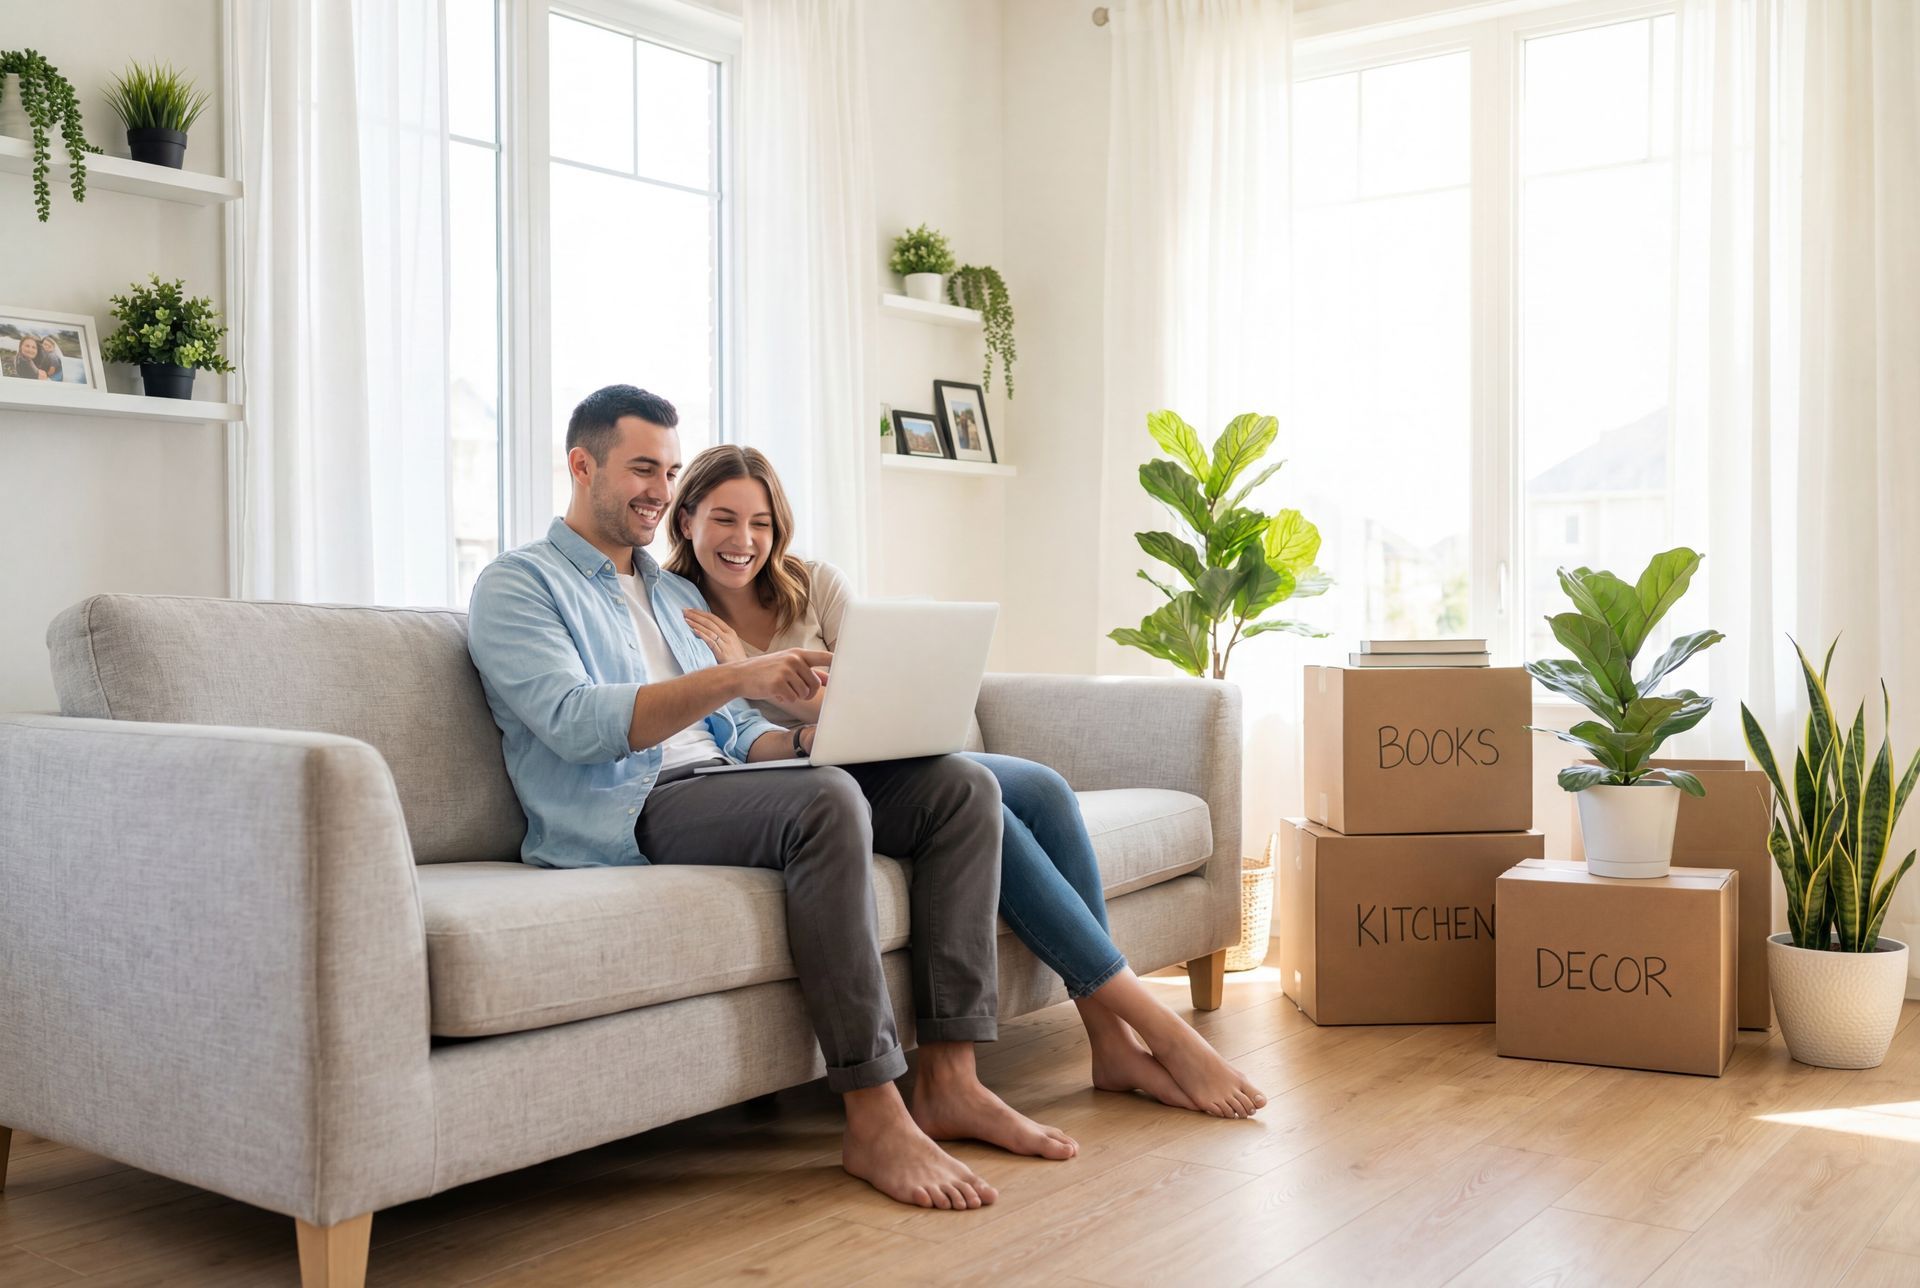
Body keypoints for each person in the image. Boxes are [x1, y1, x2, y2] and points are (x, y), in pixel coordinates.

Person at [466, 384, 1076, 1212]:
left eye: (669, 470)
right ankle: (872, 1112)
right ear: (582, 465)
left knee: (957, 786)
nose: (659, 489)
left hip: (718, 781)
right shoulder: (518, 586)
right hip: (631, 804)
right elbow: (577, 726)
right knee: (828, 805)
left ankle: (951, 1078)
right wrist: (744, 674)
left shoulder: (674, 595)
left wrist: (798, 743)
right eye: (642, 468)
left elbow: (730, 738)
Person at [668, 444, 1268, 1120]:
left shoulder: (815, 584)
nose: (744, 541)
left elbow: (875, 690)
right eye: (723, 519)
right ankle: (1151, 1027)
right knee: (983, 809)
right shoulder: (677, 612)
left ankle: (1111, 1040)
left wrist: (764, 668)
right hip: (809, 776)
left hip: (889, 750)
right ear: (686, 519)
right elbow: (741, 737)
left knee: (1040, 787)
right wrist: (773, 682)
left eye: (762, 523)